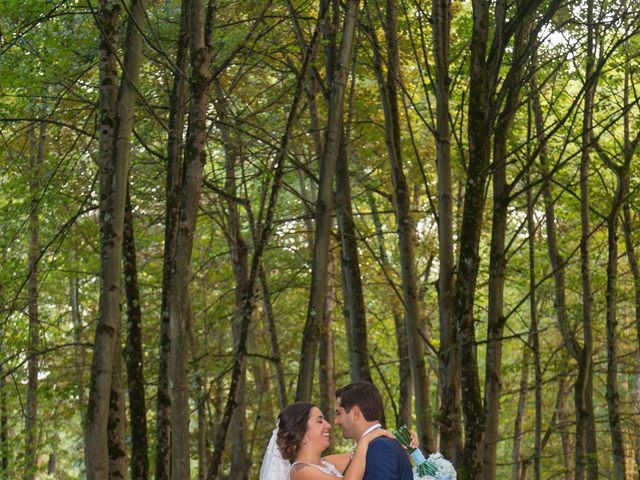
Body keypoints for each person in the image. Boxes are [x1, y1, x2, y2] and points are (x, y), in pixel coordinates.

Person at [259, 401, 409, 480]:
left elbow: (371, 454)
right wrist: (364, 441)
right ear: (302, 432)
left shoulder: (327, 463)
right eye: (319, 421)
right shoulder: (299, 472)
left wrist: (400, 441)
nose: (329, 425)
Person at [335, 382, 414, 480]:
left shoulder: (380, 447)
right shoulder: (373, 445)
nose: (336, 421)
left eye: (338, 413)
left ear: (355, 413)